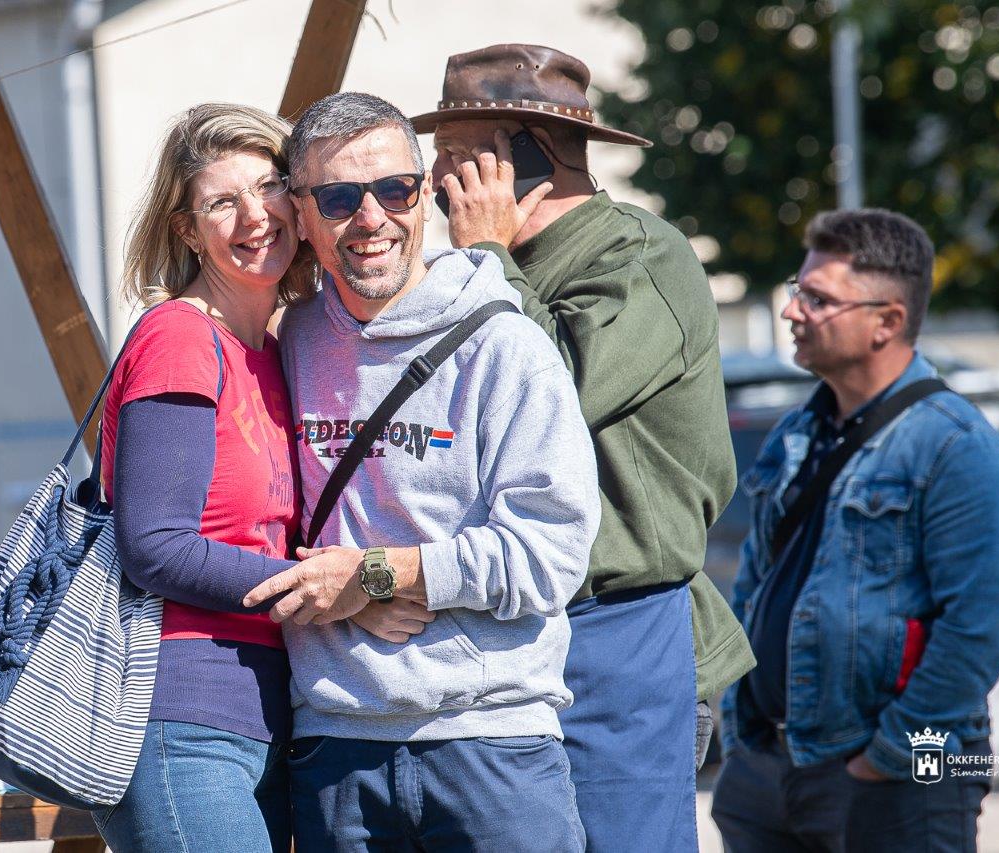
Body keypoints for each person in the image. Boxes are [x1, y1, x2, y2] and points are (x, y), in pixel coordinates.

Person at [413, 43, 755, 851]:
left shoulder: (641, 255)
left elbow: (547, 392)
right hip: (501, 625)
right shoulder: (476, 267)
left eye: (456, 157)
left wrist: (487, 256)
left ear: (523, 149)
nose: (434, 185)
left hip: (618, 628)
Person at [240, 91, 601, 852]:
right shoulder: (288, 343)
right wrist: (346, 591)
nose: (370, 217)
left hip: (493, 744)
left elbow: (551, 555)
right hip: (334, 749)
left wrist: (376, 575)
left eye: (394, 190)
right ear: (301, 216)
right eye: (339, 197)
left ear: (424, 196)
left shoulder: (505, 346)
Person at [93, 103, 430, 853]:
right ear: (187, 231)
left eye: (269, 184)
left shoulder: (278, 350)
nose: (255, 214)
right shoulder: (179, 336)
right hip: (180, 716)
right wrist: (330, 596)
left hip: (271, 713)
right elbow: (155, 546)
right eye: (222, 201)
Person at [711, 209, 999, 852]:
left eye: (817, 299)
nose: (792, 312)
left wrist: (887, 758)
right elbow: (755, 582)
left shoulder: (956, 446)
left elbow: (975, 630)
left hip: (892, 780)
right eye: (798, 291)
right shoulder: (797, 432)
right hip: (770, 771)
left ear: (887, 321)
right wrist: (743, 732)